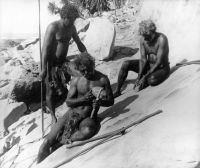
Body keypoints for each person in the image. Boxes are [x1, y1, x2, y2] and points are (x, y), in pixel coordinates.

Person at [37, 53, 114, 163]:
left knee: (87, 130)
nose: (85, 74)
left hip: (88, 116)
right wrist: (84, 99)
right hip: (72, 113)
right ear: (78, 70)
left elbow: (111, 101)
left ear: (93, 66)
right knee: (45, 144)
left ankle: (61, 142)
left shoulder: (102, 80)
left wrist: (100, 102)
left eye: (87, 70)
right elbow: (69, 102)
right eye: (82, 71)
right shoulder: (76, 80)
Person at [40, 4, 87, 124]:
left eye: (74, 19)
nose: (73, 21)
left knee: (80, 75)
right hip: (51, 65)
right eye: (71, 19)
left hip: (63, 62)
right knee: (50, 91)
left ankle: (78, 101)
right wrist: (43, 69)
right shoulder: (53, 27)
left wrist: (86, 54)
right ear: (64, 16)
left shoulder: (71, 28)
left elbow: (79, 43)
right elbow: (45, 50)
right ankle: (53, 116)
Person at [113, 19, 170, 97]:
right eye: (144, 37)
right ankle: (117, 91)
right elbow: (143, 59)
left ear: (153, 32)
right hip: (149, 66)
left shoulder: (162, 39)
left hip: (161, 68)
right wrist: (139, 76)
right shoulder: (143, 39)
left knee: (151, 80)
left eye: (147, 37)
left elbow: (158, 62)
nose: (145, 39)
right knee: (126, 64)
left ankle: (145, 81)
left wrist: (145, 76)